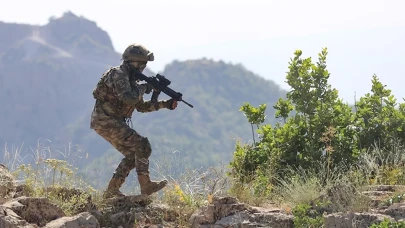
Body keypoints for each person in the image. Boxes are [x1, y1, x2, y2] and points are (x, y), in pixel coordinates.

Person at [90, 43, 178, 198]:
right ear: (134, 63)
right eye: (142, 64)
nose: (143, 68)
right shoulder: (118, 74)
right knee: (142, 145)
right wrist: (145, 87)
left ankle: (112, 190)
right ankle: (146, 186)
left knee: (134, 155)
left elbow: (142, 107)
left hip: (108, 121)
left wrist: (166, 104)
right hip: (105, 120)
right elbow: (129, 98)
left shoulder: (131, 81)